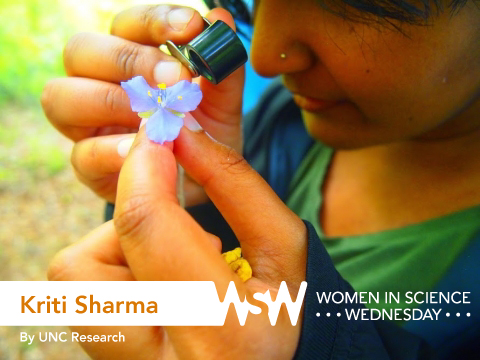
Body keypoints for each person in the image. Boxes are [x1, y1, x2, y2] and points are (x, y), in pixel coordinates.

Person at [41, 0, 480, 359]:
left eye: (352, 9)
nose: (265, 58)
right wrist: (186, 202)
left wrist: (313, 348)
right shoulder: (275, 123)